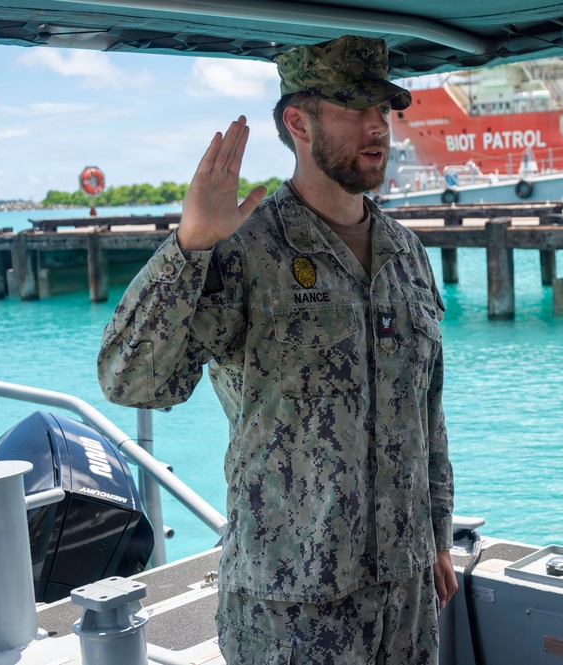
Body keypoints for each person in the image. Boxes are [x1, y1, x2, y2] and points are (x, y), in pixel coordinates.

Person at [98, 35, 456, 664]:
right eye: (354, 109)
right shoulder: (246, 250)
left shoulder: (408, 254)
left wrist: (438, 536)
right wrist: (190, 247)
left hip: (406, 595)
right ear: (299, 123)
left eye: (384, 109)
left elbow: (427, 411)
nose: (378, 126)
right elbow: (132, 382)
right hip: (289, 604)